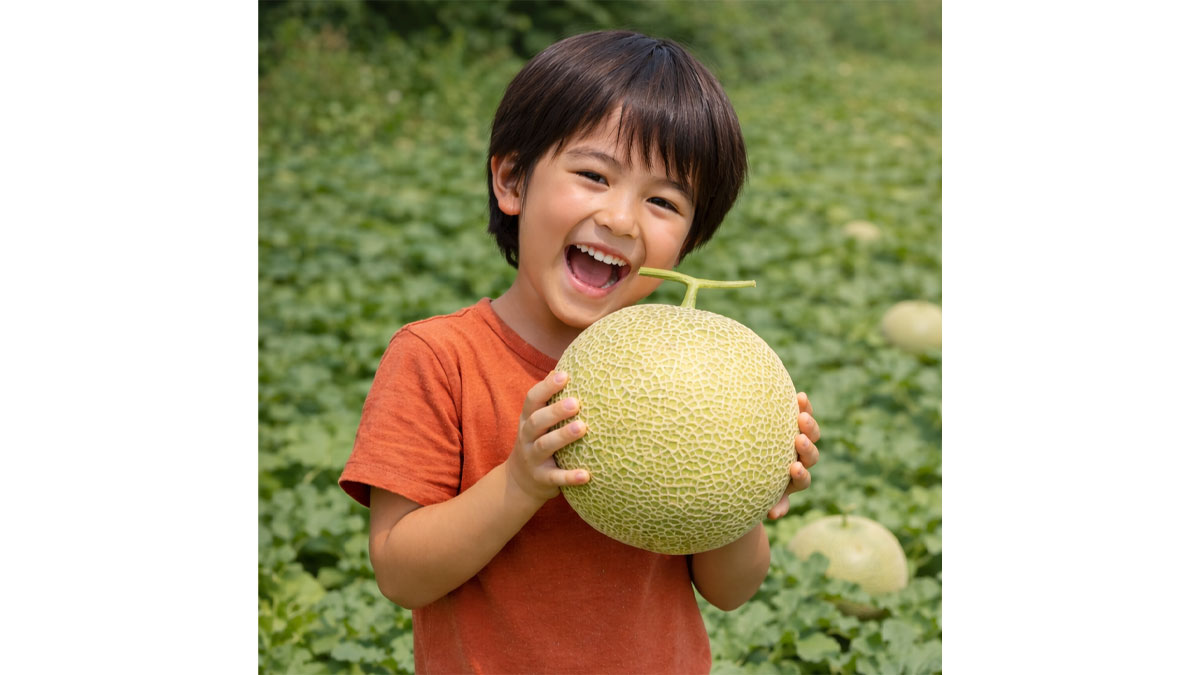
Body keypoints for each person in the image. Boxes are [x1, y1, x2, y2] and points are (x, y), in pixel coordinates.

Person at [339, 30, 821, 674]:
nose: (622, 219)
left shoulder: (703, 380)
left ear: (690, 238)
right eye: (594, 175)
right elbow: (401, 574)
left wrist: (745, 492)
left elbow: (731, 592)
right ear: (512, 179)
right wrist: (518, 482)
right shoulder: (438, 357)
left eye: (662, 201)